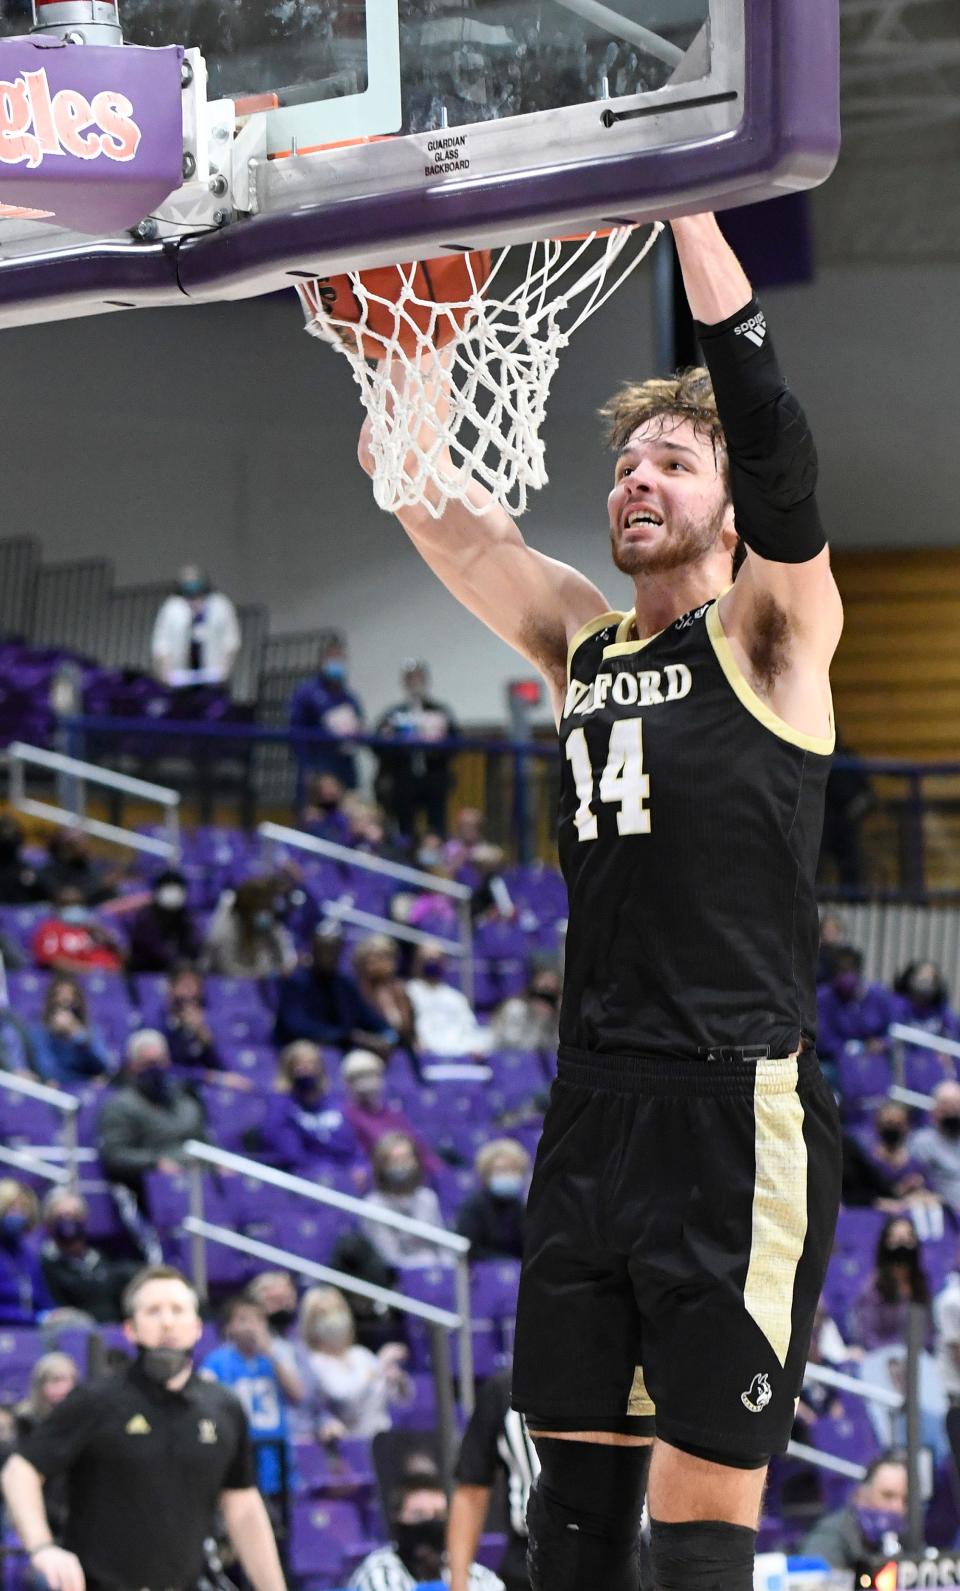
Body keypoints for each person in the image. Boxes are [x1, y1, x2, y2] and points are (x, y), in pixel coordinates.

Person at [359, 210, 844, 1590]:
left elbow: (770, 416)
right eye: (626, 461)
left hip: (731, 1115)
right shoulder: (580, 637)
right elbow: (431, 507)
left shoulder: (774, 631)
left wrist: (689, 202)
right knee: (565, 1526)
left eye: (673, 462)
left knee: (696, 1542)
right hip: (593, 1105)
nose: (638, 478)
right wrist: (414, 338)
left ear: (733, 502)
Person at [1, 1264, 287, 1591]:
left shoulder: (224, 1407)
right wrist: (42, 1547)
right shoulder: (97, 1400)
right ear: (130, 1329)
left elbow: (243, 1507)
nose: (167, 1322)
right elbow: (19, 1471)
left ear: (196, 1327)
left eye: (177, 1310)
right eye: (153, 1311)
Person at [202, 1295, 298, 1505]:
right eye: (243, 1319)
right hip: (239, 1454)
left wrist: (271, 1354)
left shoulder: (275, 1357)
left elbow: (298, 1395)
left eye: (258, 1319)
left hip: (276, 1455)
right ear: (229, 1328)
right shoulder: (218, 1360)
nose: (252, 1326)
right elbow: (203, 1398)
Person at [449, 1367, 540, 1591]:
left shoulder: (625, 1377)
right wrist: (459, 1582)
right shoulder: (501, 1392)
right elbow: (471, 1492)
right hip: (533, 1558)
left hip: (621, 1553)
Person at [97, 1029, 206, 1202]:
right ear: (133, 1066)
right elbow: (114, 1155)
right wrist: (155, 1163)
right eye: (148, 1063)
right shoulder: (120, 1106)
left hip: (198, 1186)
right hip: (149, 1192)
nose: (156, 1069)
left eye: (160, 1062)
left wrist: (219, 1164)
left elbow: (205, 1142)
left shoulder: (185, 1101)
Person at [352, 1476, 504, 1591]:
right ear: (397, 1519)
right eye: (419, 1515)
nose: (429, 1523)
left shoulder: (472, 1573)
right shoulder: (378, 1572)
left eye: (438, 1515)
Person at [299, 1286, 411, 1440]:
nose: (333, 1319)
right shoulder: (314, 1362)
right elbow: (346, 1399)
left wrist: (398, 1380)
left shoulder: (360, 1354)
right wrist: (379, 1366)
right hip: (350, 1445)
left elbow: (401, 1399)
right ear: (310, 1322)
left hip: (382, 1439)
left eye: (337, 1310)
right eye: (323, 1314)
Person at [273, 923, 395, 1054]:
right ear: (313, 948)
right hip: (299, 1052)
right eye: (323, 949)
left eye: (333, 949)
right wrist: (347, 1037)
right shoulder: (296, 983)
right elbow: (296, 1027)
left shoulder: (344, 985)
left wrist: (389, 1037)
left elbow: (371, 1019)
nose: (328, 955)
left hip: (343, 1052)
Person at [375, 661, 460, 839]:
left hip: (434, 778)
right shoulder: (394, 714)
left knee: (436, 827)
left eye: (419, 678)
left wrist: (437, 741)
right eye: (411, 679)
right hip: (403, 778)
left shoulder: (440, 711)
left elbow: (456, 742)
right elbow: (378, 744)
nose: (415, 682)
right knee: (405, 826)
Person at [258, 1042, 360, 1173]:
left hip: (342, 1173)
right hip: (306, 1176)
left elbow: (352, 1144)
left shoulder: (334, 1102)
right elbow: (288, 1152)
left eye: (312, 1063)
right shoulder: (280, 1104)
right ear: (288, 1068)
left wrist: (358, 1166)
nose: (306, 1069)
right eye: (299, 1064)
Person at [39, 1188, 134, 1322]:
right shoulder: (44, 1264)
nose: (68, 1221)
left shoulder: (100, 1259)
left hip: (114, 1330)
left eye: (74, 1215)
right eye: (61, 1216)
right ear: (49, 1222)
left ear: (84, 1219)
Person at [362, 1133, 452, 1272]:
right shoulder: (373, 1205)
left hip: (434, 1272)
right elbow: (390, 1258)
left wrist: (447, 1268)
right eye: (394, 1160)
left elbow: (442, 1246)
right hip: (397, 1278)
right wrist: (426, 1266)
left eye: (406, 1158)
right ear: (382, 1166)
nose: (401, 1165)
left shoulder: (427, 1197)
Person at [14, 1354, 79, 1546]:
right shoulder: (26, 1422)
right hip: (40, 1509)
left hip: (75, 1510)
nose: (62, 1389)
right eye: (54, 1381)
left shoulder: (84, 1420)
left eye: (67, 1380)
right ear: (40, 1385)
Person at [341, 1050, 441, 1173]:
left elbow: (419, 1149)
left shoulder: (394, 1114)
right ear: (347, 1083)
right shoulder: (346, 1116)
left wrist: (440, 1172)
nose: (365, 1082)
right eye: (357, 1077)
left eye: (370, 1074)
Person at [800, 1454, 907, 1569]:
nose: (898, 1508)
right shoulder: (832, 1535)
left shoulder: (907, 1537)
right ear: (860, 1494)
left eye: (906, 1499)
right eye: (887, 1496)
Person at [289, 635, 365, 790]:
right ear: (322, 660)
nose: (337, 661)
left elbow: (360, 726)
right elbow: (295, 730)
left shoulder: (348, 697)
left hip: (345, 768)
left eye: (340, 657)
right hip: (317, 766)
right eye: (332, 656)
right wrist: (307, 767)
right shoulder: (306, 692)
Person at [151, 565, 241, 687]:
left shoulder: (220, 605)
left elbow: (231, 640)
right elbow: (161, 642)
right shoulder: (172, 607)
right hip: (180, 676)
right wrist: (164, 670)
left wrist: (226, 668)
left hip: (213, 674)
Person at [850, 1215, 930, 1351]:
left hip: (919, 1360)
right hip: (882, 1359)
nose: (902, 1246)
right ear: (885, 1243)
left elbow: (929, 1335)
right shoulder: (873, 1287)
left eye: (907, 1239)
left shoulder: (921, 1285)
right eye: (897, 1240)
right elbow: (868, 1336)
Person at [406, 943, 493, 1059]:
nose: (432, 963)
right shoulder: (409, 991)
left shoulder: (456, 997)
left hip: (459, 1051)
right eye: (427, 959)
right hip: (427, 1052)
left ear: (444, 963)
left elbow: (469, 1028)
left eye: (436, 959)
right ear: (418, 962)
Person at [816, 946, 896, 1071]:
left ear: (858, 970)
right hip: (835, 1062)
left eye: (850, 970)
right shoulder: (822, 997)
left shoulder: (878, 994)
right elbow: (823, 1037)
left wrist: (882, 1042)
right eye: (841, 970)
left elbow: (891, 1029)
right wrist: (852, 1049)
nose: (846, 975)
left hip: (873, 1060)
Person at [203, 879, 298, 979]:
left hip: (261, 977)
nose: (264, 911)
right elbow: (224, 964)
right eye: (260, 905)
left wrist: (277, 966)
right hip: (231, 979)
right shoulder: (228, 922)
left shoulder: (266, 921)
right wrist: (258, 974)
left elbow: (287, 959)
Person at [29, 974, 111, 1087]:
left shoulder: (91, 1029)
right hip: (59, 1088)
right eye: (59, 995)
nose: (64, 1000)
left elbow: (102, 1065)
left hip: (88, 1087)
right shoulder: (39, 1031)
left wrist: (76, 1034)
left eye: (69, 996)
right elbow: (47, 1070)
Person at [456, 1140, 530, 1262]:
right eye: (501, 1170)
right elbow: (469, 1248)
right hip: (482, 1272)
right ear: (487, 1174)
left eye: (513, 1169)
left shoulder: (521, 1207)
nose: (507, 1175)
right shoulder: (474, 1206)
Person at [32, 885, 125, 974]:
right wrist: (91, 970)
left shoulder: (94, 928)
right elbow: (53, 961)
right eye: (67, 904)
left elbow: (124, 959)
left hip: (107, 979)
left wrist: (107, 937)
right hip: (71, 980)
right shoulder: (50, 929)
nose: (74, 908)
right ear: (56, 907)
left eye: (78, 903)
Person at [352, 935, 419, 1057]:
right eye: (370, 956)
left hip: (400, 1050)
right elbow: (352, 1029)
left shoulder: (400, 990)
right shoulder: (356, 989)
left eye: (383, 956)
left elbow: (409, 1028)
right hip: (365, 1050)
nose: (375, 961)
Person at [246, 1271, 305, 1404]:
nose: (282, 1308)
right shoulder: (244, 1343)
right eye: (274, 1301)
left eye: (287, 1300)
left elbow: (305, 1395)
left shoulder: (300, 1342)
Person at [127, 869, 199, 973]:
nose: (173, 893)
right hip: (146, 972)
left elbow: (192, 948)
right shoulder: (145, 918)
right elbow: (147, 949)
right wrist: (173, 959)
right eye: (168, 887)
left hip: (177, 974)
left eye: (177, 888)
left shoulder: (187, 919)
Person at [0, 1181, 51, 1324]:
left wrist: (53, 1315)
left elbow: (43, 1299)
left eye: (23, 1208)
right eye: (11, 1208)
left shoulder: (28, 1255)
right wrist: (33, 1318)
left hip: (29, 1331)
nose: (18, 1214)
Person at [865, 1103, 931, 1203]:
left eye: (898, 1124)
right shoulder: (867, 1162)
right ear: (878, 1126)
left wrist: (920, 1190)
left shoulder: (916, 1164)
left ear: (907, 1127)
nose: (893, 1129)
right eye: (888, 1123)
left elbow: (930, 1194)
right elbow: (863, 1196)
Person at [37, 830, 121, 907]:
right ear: (66, 847)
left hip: (92, 915)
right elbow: (68, 898)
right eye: (80, 843)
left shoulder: (89, 868)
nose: (86, 848)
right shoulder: (49, 870)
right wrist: (100, 885)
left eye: (85, 842)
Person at [910, 1081, 960, 1208]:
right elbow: (914, 1181)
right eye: (946, 1107)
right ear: (934, 1111)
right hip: (942, 1213)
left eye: (956, 1106)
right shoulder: (921, 1142)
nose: (952, 1112)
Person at [490, 968, 562, 1056]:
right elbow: (513, 1046)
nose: (542, 1003)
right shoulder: (515, 1009)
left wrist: (553, 1018)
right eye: (539, 995)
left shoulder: (557, 1017)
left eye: (548, 998)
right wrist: (538, 1021)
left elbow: (556, 1047)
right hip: (508, 1059)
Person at [0, 816, 45, 904]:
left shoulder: (27, 868)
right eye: (3, 835)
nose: (8, 839)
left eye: (12, 835)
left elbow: (42, 895)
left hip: (22, 912)